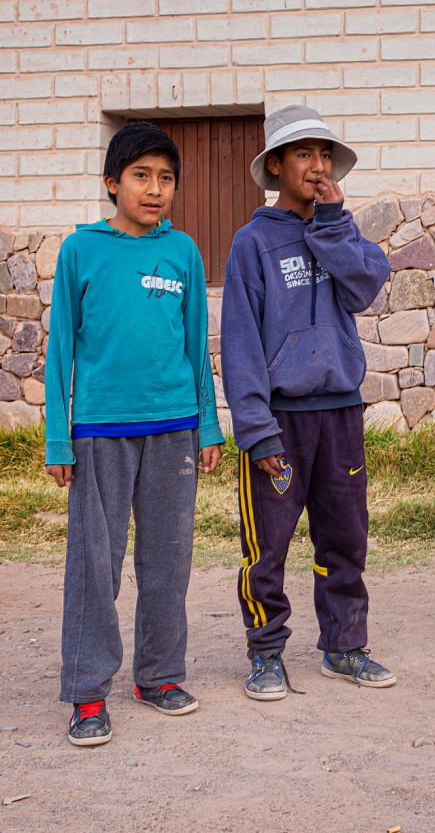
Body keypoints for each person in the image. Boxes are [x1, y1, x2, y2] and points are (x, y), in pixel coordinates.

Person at [44, 122, 224, 746]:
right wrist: (57, 438)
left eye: (166, 178)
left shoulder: (183, 253)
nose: (155, 190)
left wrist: (208, 426)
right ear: (111, 183)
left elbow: (197, 347)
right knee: (95, 563)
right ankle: (88, 692)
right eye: (141, 176)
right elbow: (60, 349)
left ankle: (159, 674)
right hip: (99, 432)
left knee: (168, 561)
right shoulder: (80, 251)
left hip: (174, 430)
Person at [220, 105, 394, 700]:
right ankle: (266, 652)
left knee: (344, 534)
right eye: (304, 155)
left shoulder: (339, 232)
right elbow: (241, 343)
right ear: (275, 166)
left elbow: (366, 285)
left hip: (340, 412)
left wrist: (332, 221)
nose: (317, 166)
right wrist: (256, 430)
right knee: (267, 545)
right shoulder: (252, 244)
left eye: (325, 155)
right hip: (281, 421)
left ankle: (343, 646)